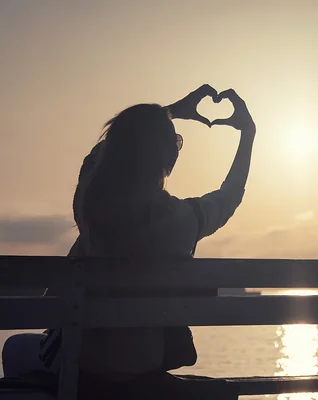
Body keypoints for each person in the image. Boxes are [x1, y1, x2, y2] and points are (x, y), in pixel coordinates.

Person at [2, 85, 255, 387]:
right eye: (175, 142)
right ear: (168, 156)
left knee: (13, 347)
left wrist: (166, 113)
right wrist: (247, 135)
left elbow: (98, 160)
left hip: (79, 360)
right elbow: (228, 197)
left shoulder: (91, 208)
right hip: (144, 361)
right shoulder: (182, 220)